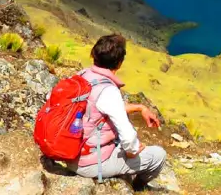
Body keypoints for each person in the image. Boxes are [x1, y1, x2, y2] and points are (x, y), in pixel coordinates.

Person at [68, 34, 166, 190]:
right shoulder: (108, 90)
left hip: (69, 152)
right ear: (119, 63)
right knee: (158, 156)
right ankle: (138, 187)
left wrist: (140, 107)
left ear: (94, 55)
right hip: (89, 163)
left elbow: (101, 106)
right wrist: (133, 151)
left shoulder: (82, 76)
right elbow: (127, 137)